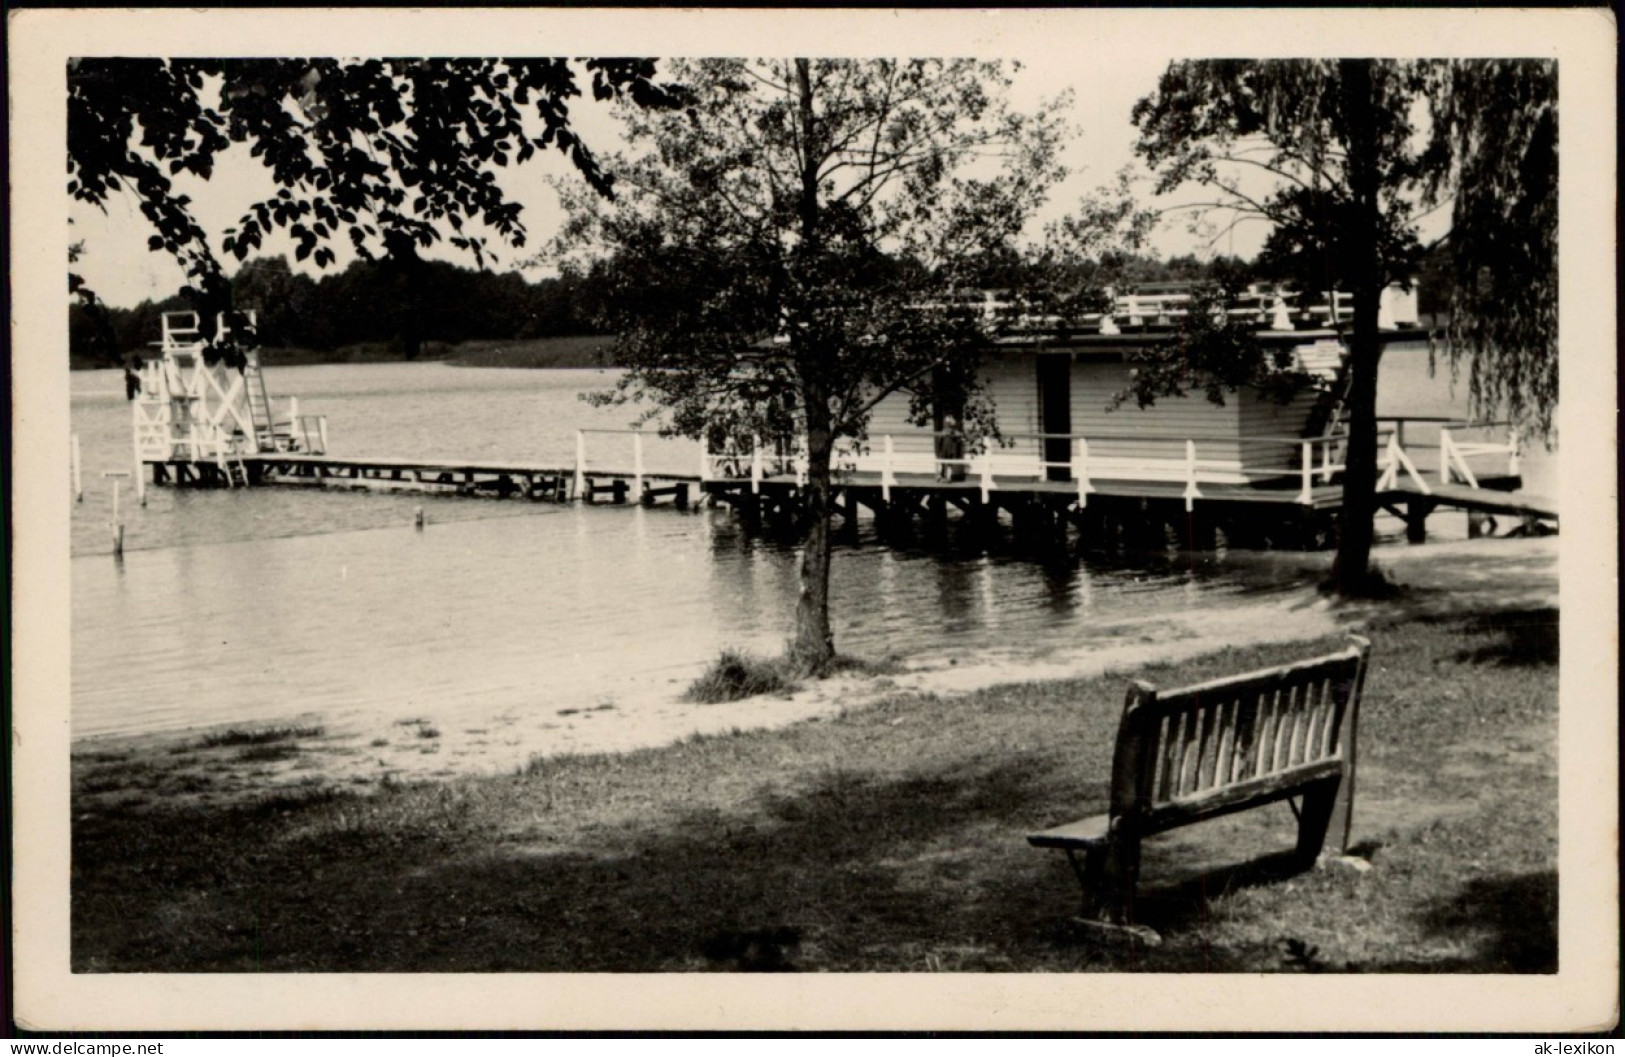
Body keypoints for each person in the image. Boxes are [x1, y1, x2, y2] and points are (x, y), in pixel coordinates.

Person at [936, 413, 966, 482]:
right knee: (942, 462)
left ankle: (948, 477)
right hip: (945, 448)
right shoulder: (944, 431)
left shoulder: (954, 431)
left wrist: (959, 437)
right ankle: (940, 476)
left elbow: (958, 437)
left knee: (949, 463)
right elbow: (940, 439)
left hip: (950, 448)